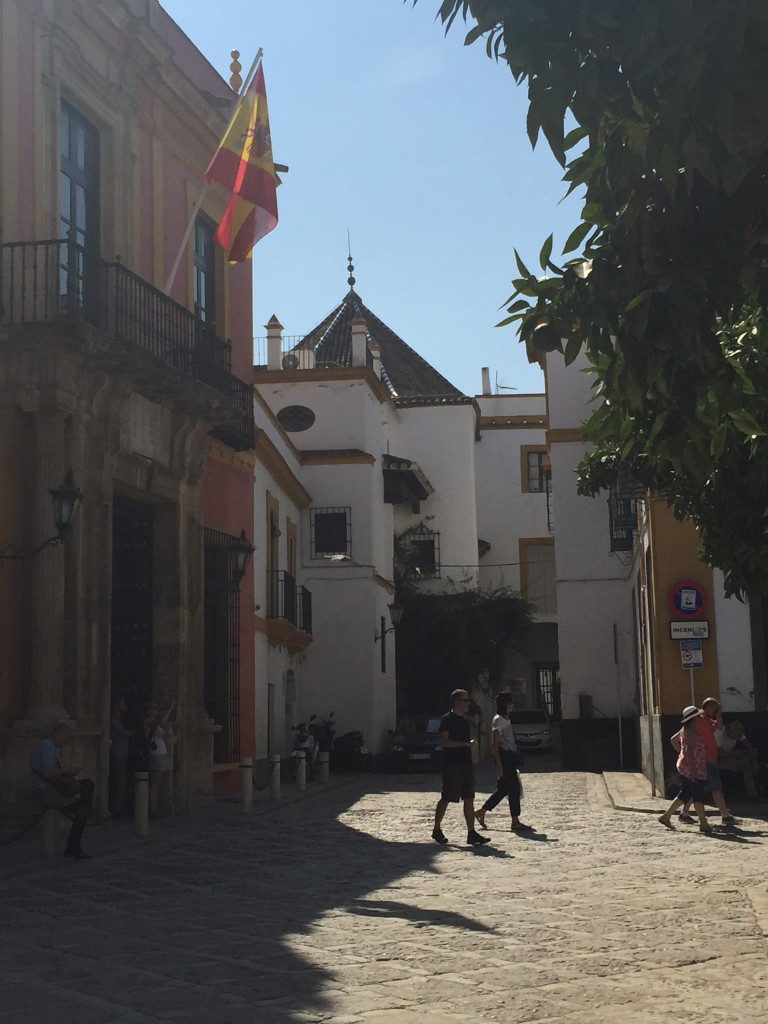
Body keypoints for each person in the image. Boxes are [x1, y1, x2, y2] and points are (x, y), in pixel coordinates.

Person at [432, 689, 490, 846]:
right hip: (452, 765)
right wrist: (465, 744)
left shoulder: (464, 720)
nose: (468, 703)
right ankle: (436, 828)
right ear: (457, 702)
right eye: (465, 700)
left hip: (466, 764)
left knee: (469, 798)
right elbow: (445, 742)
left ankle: (471, 833)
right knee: (447, 797)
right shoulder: (447, 719)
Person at [30, 722, 95, 860]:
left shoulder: (49, 746)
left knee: (88, 784)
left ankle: (86, 806)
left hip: (52, 787)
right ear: (58, 734)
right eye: (66, 738)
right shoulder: (48, 746)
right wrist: (68, 771)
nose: (66, 742)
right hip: (47, 791)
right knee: (82, 811)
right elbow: (48, 772)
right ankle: (73, 846)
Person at [474, 692, 534, 833]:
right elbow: (495, 744)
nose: (512, 705)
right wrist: (498, 763)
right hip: (505, 758)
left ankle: (482, 811)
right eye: (510, 702)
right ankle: (515, 821)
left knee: (503, 789)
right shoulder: (498, 720)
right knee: (514, 789)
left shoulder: (505, 719)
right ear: (505, 704)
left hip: (510, 757)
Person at [677, 697, 737, 824]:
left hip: (708, 759)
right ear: (707, 707)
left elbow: (718, 727)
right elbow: (677, 739)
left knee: (696, 790)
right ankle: (725, 815)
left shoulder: (707, 720)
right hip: (705, 760)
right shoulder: (697, 721)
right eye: (714, 708)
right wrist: (687, 758)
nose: (715, 711)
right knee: (715, 788)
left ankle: (684, 813)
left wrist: (718, 714)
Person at [658, 705, 712, 834]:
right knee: (697, 795)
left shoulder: (684, 730)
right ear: (693, 719)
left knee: (685, 794)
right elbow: (689, 752)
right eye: (697, 716)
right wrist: (692, 770)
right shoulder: (691, 733)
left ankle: (666, 816)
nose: (700, 718)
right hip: (693, 769)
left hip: (685, 767)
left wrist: (681, 754)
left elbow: (674, 740)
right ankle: (703, 823)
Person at [145, 702, 175, 817]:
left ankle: (155, 807)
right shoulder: (148, 722)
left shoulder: (157, 724)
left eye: (155, 708)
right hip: (156, 754)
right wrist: (170, 709)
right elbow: (161, 722)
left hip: (161, 753)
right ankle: (152, 809)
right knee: (155, 784)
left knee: (159, 783)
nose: (155, 710)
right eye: (152, 708)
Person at [719, 720, 760, 799]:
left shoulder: (738, 733)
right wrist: (733, 753)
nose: (735, 739)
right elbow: (715, 753)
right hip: (719, 760)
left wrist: (755, 761)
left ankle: (753, 794)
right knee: (742, 765)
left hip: (732, 756)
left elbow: (749, 746)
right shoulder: (719, 733)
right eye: (734, 736)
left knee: (750, 756)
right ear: (728, 730)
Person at [109, 696, 133, 816]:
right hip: (117, 754)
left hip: (122, 754)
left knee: (121, 781)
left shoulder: (120, 720)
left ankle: (119, 807)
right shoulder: (114, 721)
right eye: (123, 703)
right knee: (120, 782)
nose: (125, 706)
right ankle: (116, 809)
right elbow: (125, 733)